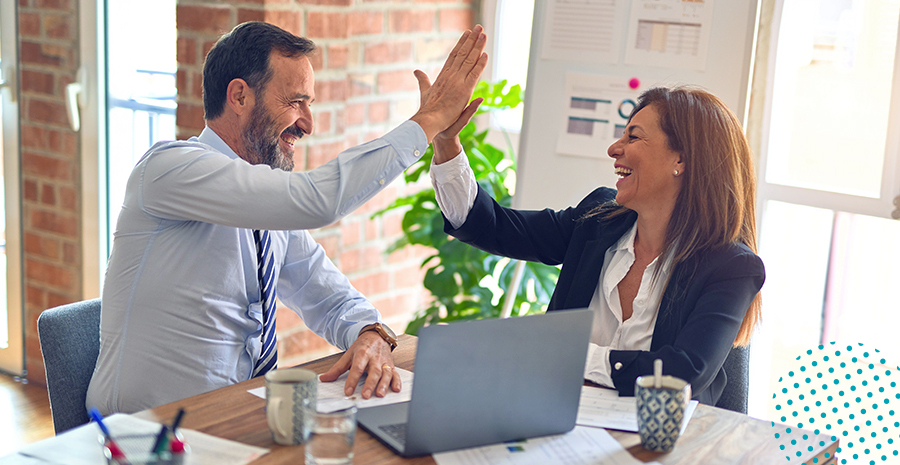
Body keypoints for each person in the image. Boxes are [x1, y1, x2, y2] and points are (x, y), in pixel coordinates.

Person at [86, 21, 488, 415]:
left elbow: (326, 294)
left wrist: (370, 332)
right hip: (145, 437)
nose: (308, 124)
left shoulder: (266, 206)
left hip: (235, 421)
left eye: (309, 104)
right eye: (296, 101)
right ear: (239, 97)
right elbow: (318, 200)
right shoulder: (169, 169)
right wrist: (429, 121)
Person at [429, 86, 764, 406]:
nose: (614, 149)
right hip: (558, 422)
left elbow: (681, 374)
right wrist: (446, 143)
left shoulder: (731, 267)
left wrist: (566, 354)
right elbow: (493, 227)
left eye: (633, 136)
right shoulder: (598, 220)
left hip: (661, 448)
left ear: (682, 160)